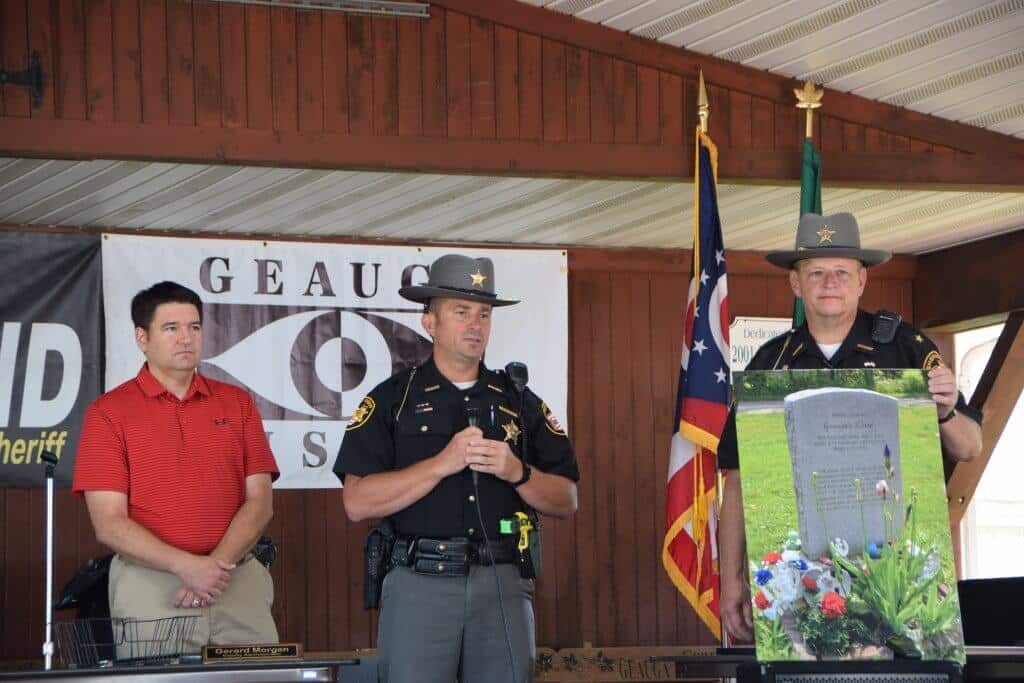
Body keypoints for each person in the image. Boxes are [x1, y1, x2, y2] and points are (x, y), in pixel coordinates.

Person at [717, 213, 983, 642]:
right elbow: (738, 480)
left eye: (841, 272)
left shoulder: (907, 348)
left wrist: (947, 411)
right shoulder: (770, 362)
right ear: (795, 284)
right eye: (816, 272)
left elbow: (970, 447)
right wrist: (730, 580)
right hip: (801, 565)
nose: (830, 283)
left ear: (861, 280)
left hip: (892, 566)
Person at [334, 254, 579, 683]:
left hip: (502, 583)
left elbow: (567, 499)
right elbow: (356, 502)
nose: (475, 325)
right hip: (420, 583)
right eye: (461, 312)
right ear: (429, 322)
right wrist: (439, 465)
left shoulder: (519, 401)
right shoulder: (393, 399)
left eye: (484, 314)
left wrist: (518, 472)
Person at [73, 281, 280, 655]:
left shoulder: (237, 403)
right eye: (171, 328)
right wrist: (187, 567)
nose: (186, 338)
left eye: (194, 327)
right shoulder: (108, 413)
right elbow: (109, 523)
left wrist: (213, 567)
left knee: (259, 676)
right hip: (152, 585)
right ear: (142, 338)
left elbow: (260, 502)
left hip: (235, 578)